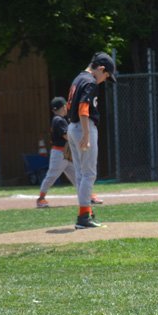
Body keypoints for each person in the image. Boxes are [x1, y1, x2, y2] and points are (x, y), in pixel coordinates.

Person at [66, 51, 116, 228]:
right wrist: (86, 134)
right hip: (83, 126)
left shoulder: (78, 78)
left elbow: (69, 106)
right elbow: (83, 108)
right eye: (106, 76)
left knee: (81, 174)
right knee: (89, 174)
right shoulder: (90, 81)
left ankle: (85, 213)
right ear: (100, 69)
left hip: (72, 127)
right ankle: (83, 217)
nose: (104, 80)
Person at [36, 97, 76, 208]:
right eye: (65, 105)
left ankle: (87, 196)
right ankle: (41, 198)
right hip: (59, 154)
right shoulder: (59, 120)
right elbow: (66, 136)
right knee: (52, 176)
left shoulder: (59, 119)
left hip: (65, 153)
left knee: (77, 175)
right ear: (63, 106)